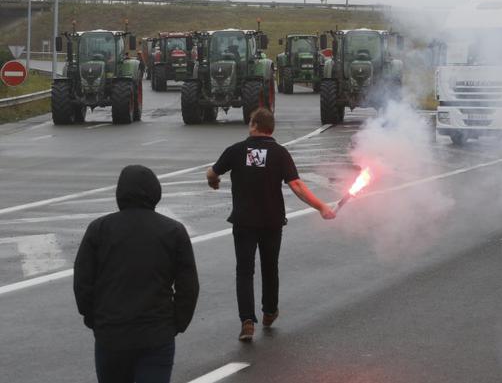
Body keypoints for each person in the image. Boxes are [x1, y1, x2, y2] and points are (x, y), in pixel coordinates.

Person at [206, 108, 335, 341]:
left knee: (244, 271)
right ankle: (269, 312)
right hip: (271, 221)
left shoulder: (235, 151)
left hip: (244, 222)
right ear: (271, 128)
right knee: (269, 266)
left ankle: (246, 321)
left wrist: (214, 182)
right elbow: (296, 186)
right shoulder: (280, 153)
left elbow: (211, 173)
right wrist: (321, 206)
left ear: (254, 125)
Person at [74, 165, 199, 383]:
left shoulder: (99, 229)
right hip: (156, 333)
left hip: (111, 333)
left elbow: (83, 281)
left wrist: (93, 318)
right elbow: (188, 285)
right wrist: (177, 323)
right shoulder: (173, 231)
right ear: (155, 192)